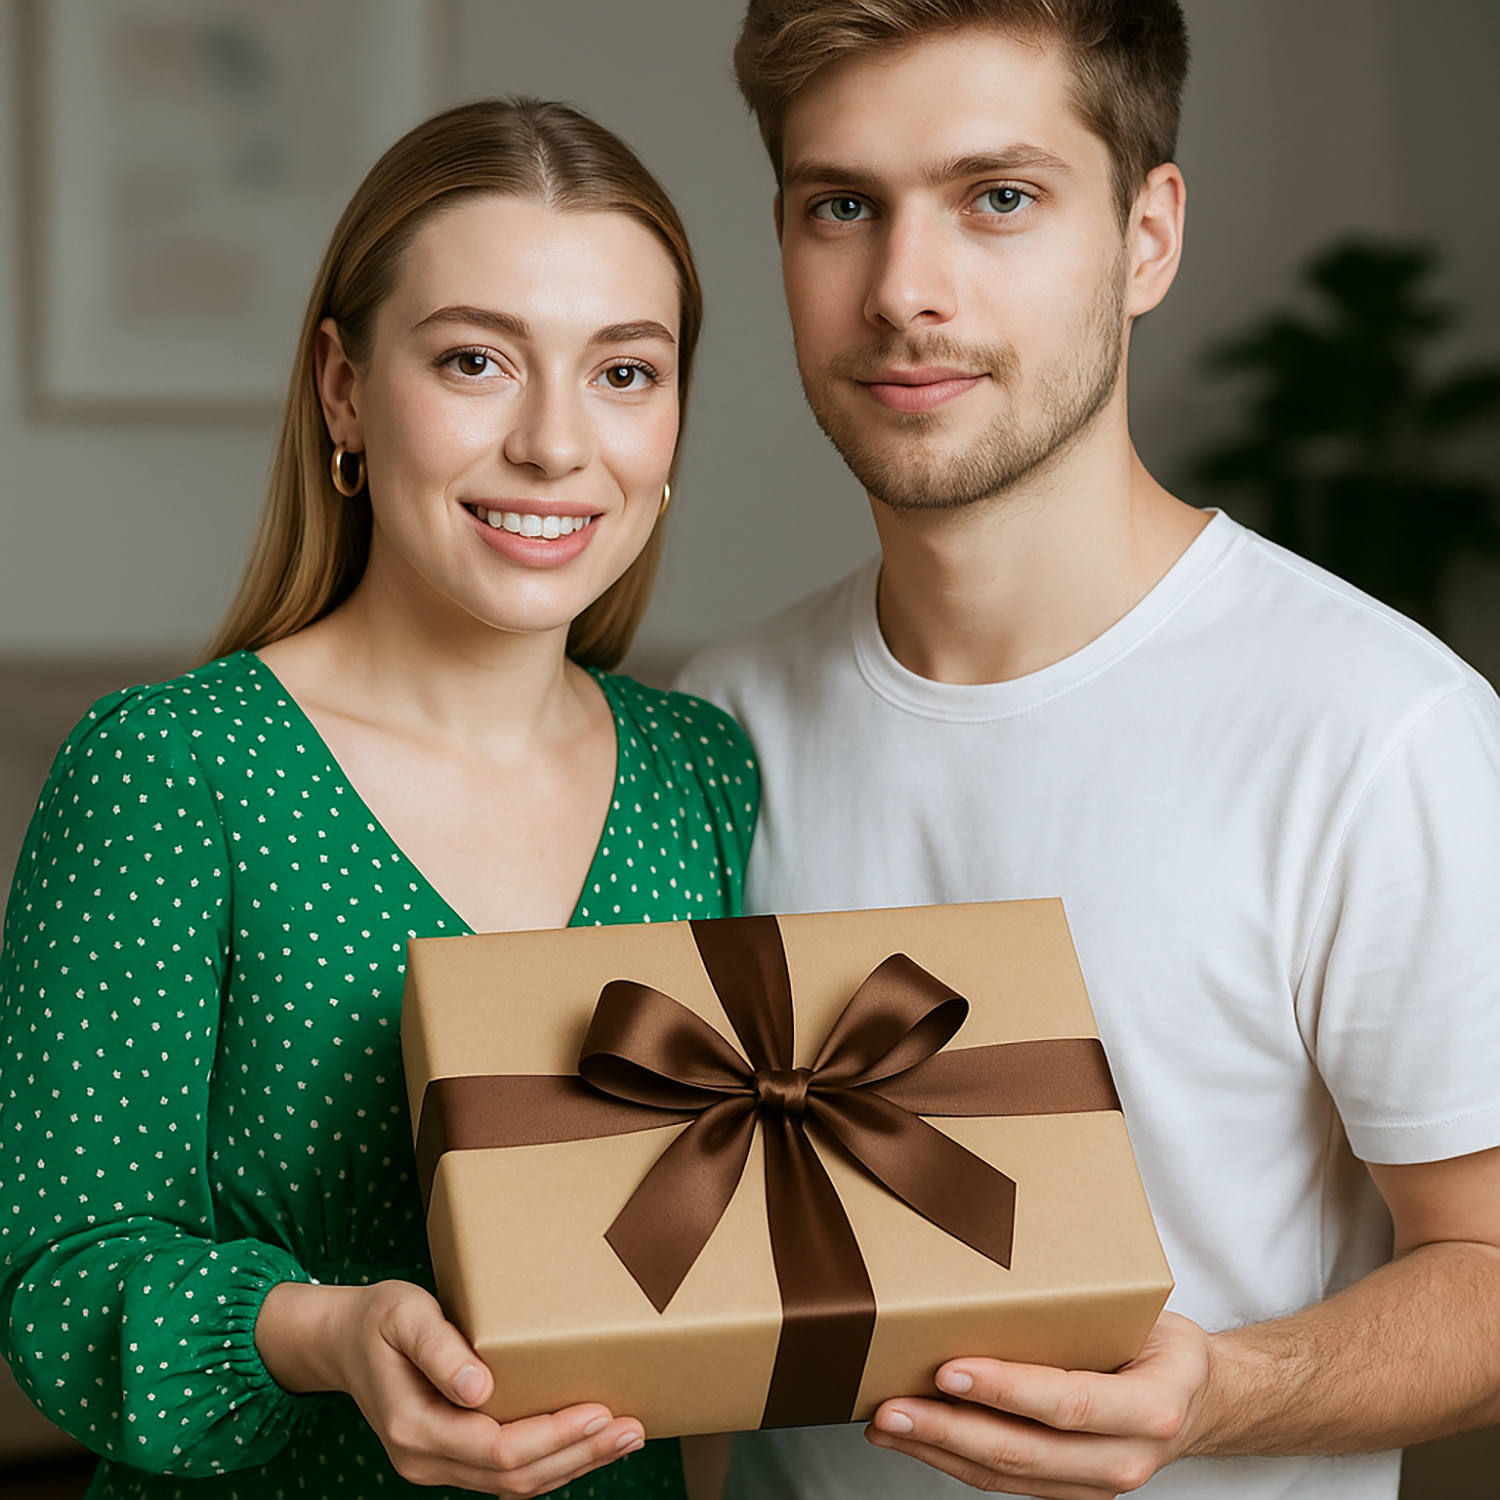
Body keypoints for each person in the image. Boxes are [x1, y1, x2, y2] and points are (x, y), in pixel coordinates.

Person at [677, 3, 1500, 1497]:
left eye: (999, 198)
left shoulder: (1380, 729)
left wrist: (1221, 1393)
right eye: (842, 207)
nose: (904, 291)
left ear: (1147, 236)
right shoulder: (719, 718)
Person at [0, 98, 758, 1500]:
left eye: (625, 373)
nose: (553, 444)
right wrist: (324, 1333)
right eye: (476, 360)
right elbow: (60, 1280)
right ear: (345, 389)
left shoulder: (703, 774)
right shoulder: (169, 770)